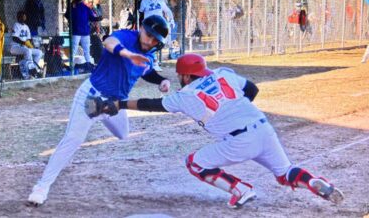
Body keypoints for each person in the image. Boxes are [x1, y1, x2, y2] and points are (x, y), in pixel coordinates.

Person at [88, 53, 345, 209]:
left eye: (181, 76)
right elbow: (252, 90)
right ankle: (312, 181)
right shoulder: (223, 74)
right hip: (263, 127)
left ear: (186, 77)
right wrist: (233, 108)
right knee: (285, 173)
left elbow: (151, 105)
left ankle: (240, 190)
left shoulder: (186, 94)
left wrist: (119, 104)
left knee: (195, 163)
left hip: (239, 140)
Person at [27, 15, 171, 206]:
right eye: (148, 34)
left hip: (114, 104)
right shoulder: (128, 37)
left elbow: (147, 71)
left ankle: (101, 114)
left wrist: (161, 80)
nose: (150, 40)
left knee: (123, 134)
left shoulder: (149, 54)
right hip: (92, 96)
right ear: (141, 29)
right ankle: (41, 188)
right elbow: (109, 42)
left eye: (155, 39)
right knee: (73, 140)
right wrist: (127, 54)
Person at [65, 0, 102, 72]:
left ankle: (88, 64)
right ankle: (71, 66)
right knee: (74, 49)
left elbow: (91, 17)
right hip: (76, 31)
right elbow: (67, 15)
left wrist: (97, 18)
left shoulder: (84, 7)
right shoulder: (72, 6)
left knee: (86, 50)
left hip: (84, 31)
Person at [139, 0, 175, 72]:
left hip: (159, 25)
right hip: (149, 25)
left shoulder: (161, 1)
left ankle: (152, 61)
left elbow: (168, 11)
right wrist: (140, 24)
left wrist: (172, 20)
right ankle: (153, 62)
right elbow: (140, 13)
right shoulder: (144, 2)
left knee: (158, 43)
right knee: (150, 43)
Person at [10, 11, 43, 79]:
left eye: (24, 16)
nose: (23, 18)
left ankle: (33, 69)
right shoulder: (16, 25)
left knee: (39, 52)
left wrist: (30, 44)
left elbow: (29, 39)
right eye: (22, 16)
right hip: (15, 47)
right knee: (28, 51)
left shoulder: (26, 27)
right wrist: (23, 42)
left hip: (25, 48)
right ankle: (28, 74)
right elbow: (14, 38)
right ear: (18, 17)